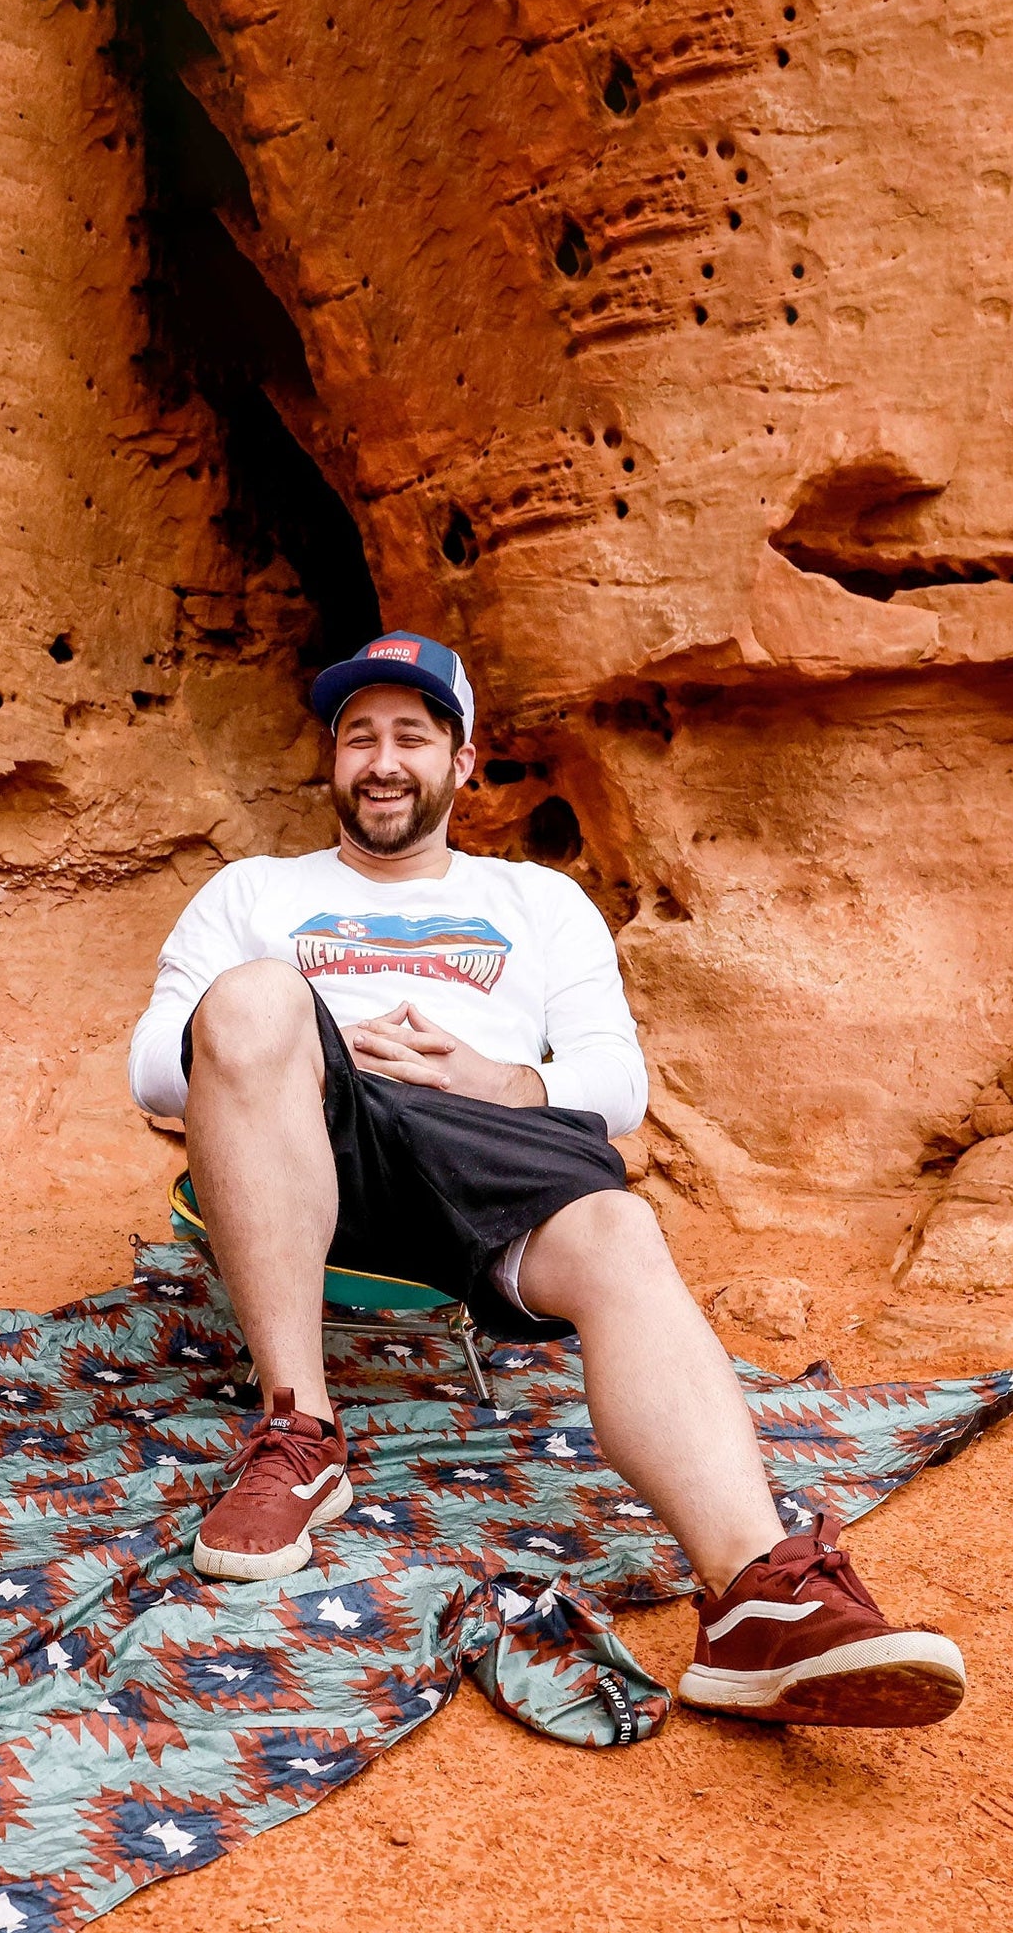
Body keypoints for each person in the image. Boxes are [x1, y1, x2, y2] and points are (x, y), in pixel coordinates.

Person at [128, 631, 966, 1730]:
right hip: (314, 1135)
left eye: (411, 737)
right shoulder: (255, 890)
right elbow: (153, 1064)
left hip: (492, 1143)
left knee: (619, 1232)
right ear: (330, 761)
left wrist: (492, 1075)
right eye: (357, 736)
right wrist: (301, 1028)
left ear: (462, 761)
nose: (381, 761)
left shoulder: (536, 903)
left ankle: (754, 1594)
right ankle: (300, 1429)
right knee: (246, 999)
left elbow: (614, 1083)